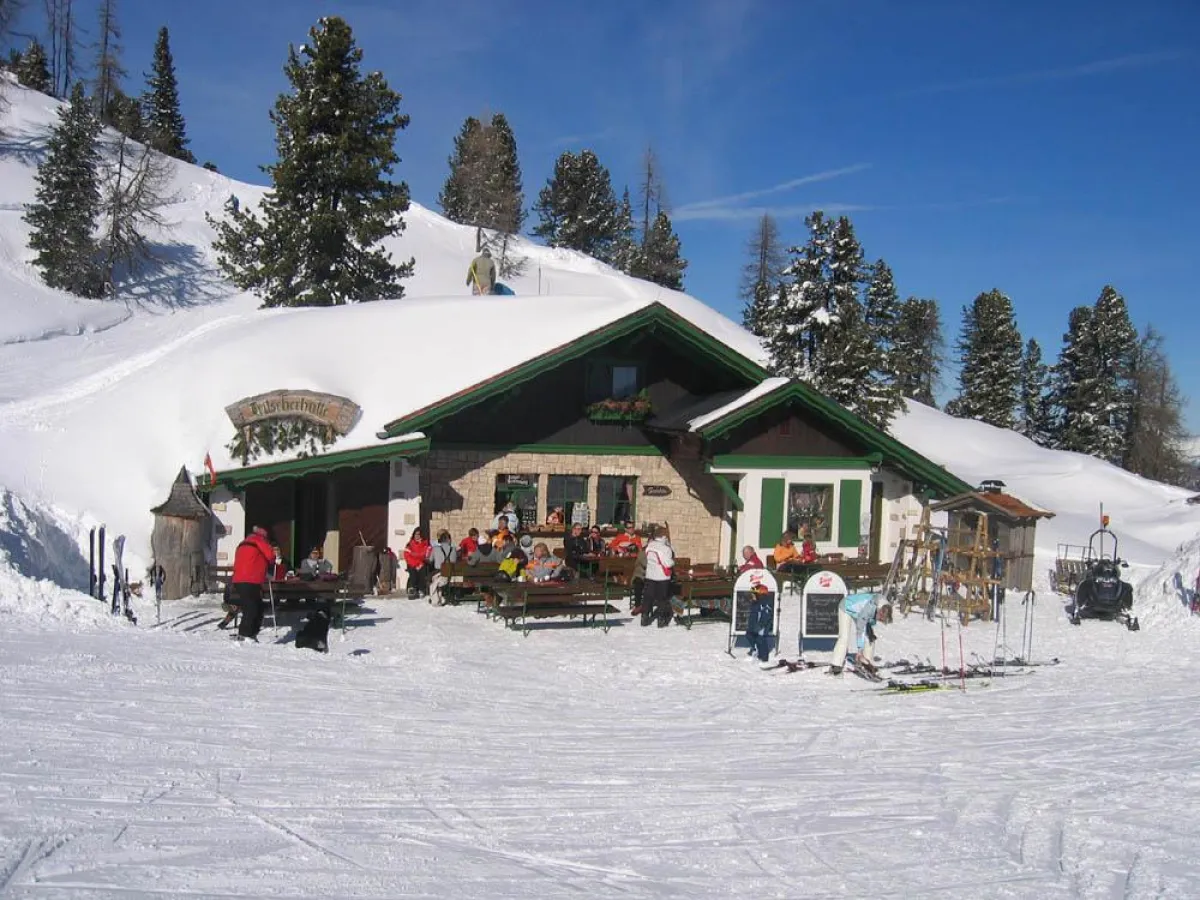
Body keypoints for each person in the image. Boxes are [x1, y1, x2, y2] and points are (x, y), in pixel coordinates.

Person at [226, 525, 274, 641]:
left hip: (238, 580)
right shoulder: (259, 541)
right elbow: (271, 556)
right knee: (252, 607)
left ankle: (251, 633)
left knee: (256, 605)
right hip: (251, 579)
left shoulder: (242, 543)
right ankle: (245, 634)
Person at [828, 592, 891, 675]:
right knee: (844, 636)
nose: (880, 621)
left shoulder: (885, 605)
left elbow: (871, 620)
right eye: (880, 619)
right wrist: (859, 650)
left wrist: (870, 630)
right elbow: (860, 629)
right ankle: (836, 664)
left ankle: (866, 662)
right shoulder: (869, 608)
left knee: (870, 637)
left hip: (860, 612)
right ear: (879, 611)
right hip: (846, 607)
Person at [642, 526, 675, 627]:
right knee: (662, 598)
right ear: (664, 536)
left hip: (650, 575)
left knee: (648, 597)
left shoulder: (650, 545)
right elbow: (668, 564)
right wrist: (673, 561)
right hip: (662, 577)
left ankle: (645, 617)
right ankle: (661, 619)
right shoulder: (666, 548)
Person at [429, 530, 458, 604]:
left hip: (439, 573)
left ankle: (436, 599)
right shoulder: (453, 549)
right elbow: (455, 561)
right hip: (451, 574)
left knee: (432, 578)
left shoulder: (435, 549)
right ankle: (441, 596)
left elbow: (430, 560)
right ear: (448, 540)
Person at [403, 528, 433, 599]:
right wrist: (416, 564)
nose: (417, 536)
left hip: (422, 564)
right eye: (415, 534)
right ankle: (412, 589)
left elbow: (426, 555)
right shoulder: (409, 544)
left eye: (419, 534)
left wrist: (419, 562)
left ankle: (421, 589)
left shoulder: (427, 544)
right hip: (412, 564)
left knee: (422, 572)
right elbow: (407, 556)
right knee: (413, 573)